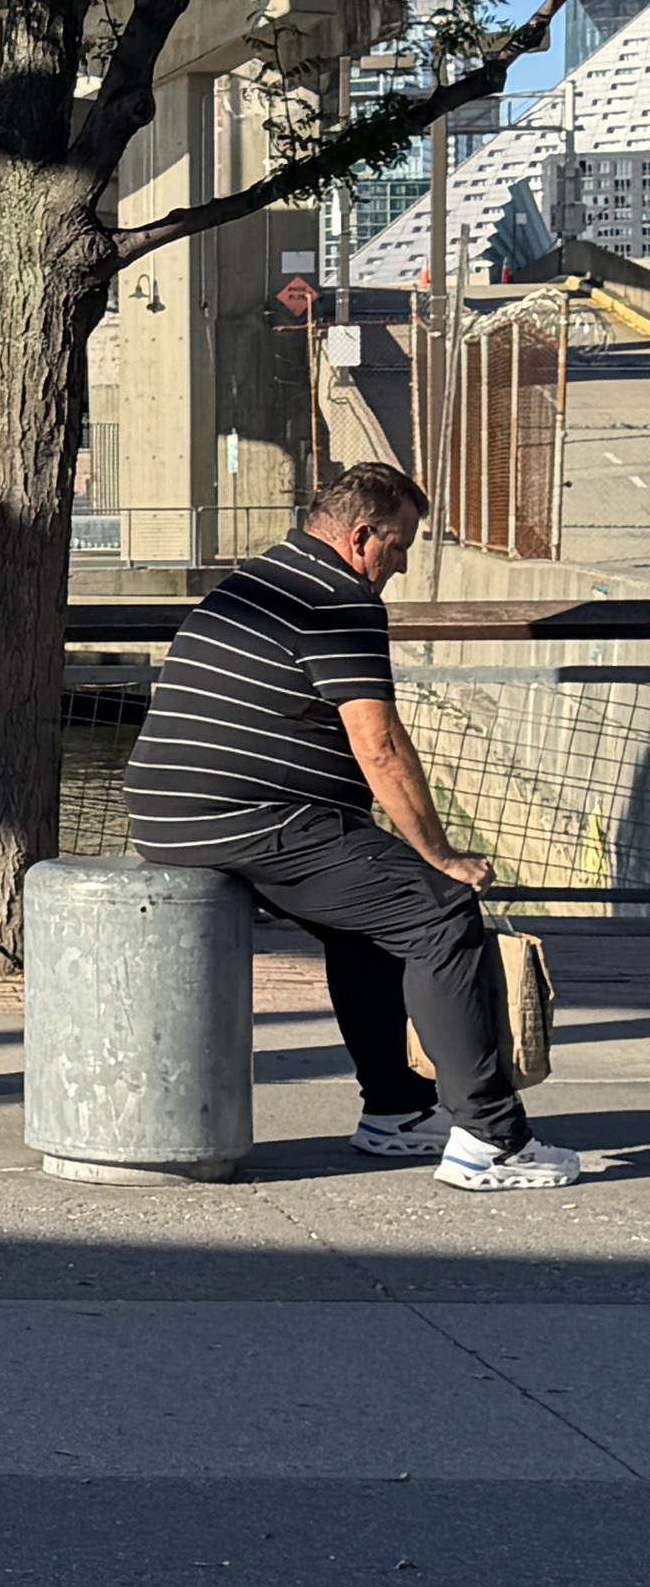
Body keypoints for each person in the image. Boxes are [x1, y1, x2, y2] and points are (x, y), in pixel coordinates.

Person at [124, 460, 575, 1191]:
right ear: (362, 536)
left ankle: (397, 1110)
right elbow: (380, 745)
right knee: (438, 909)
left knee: (367, 925)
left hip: (173, 814)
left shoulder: (261, 577)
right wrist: (441, 854)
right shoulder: (337, 599)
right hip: (248, 817)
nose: (401, 565)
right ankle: (492, 1141)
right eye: (399, 546)